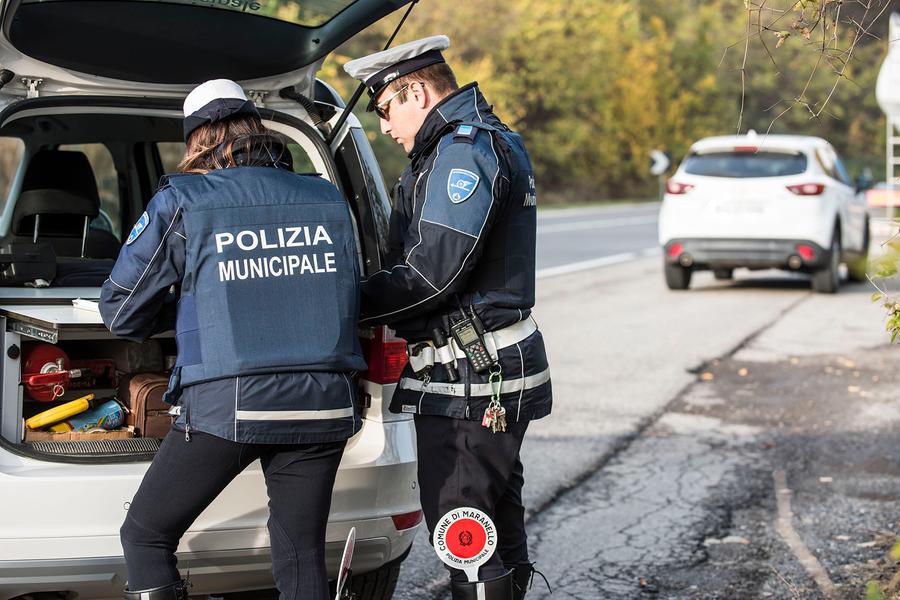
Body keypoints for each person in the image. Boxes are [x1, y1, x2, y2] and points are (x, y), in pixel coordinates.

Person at [99, 79, 366, 600]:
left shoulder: (184, 199)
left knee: (146, 536)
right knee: (300, 555)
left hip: (230, 406)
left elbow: (122, 312)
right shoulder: (325, 196)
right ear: (256, 127)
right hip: (324, 406)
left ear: (197, 138)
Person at [344, 36, 552, 600]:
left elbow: (431, 276)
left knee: (462, 531)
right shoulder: (474, 142)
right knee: (493, 524)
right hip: (480, 369)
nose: (385, 127)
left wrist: (344, 302)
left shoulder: (463, 151)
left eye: (385, 109)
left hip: (472, 376)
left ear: (416, 90)